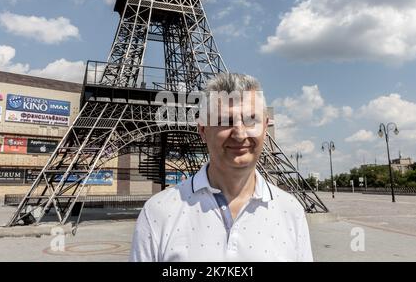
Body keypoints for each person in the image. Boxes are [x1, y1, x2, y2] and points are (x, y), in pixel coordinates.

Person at [130, 73, 313, 262]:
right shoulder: (158, 212)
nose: (240, 134)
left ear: (265, 128)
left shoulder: (291, 211)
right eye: (225, 121)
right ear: (203, 130)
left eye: (251, 120)